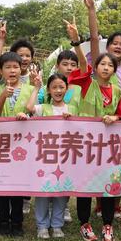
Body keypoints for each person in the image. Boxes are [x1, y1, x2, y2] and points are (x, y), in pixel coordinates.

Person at [66, 18, 121, 241]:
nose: (106, 67)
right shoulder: (86, 83)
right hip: (84, 145)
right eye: (102, 64)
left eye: (110, 65)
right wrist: (76, 41)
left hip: (107, 148)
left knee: (107, 186)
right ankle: (84, 223)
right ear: (96, 67)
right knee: (85, 185)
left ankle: (108, 224)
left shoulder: (118, 91)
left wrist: (116, 117)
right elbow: (82, 63)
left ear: (114, 70)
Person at [82, 0, 121, 218]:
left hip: (118, 126)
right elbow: (93, 38)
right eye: (114, 43)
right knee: (93, 165)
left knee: (116, 165)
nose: (118, 46)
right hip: (93, 127)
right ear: (107, 47)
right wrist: (92, 10)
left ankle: (113, 203)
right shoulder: (98, 66)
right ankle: (98, 205)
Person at [37, 49, 83, 223]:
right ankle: (44, 217)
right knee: (47, 179)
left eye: (73, 64)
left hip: (67, 145)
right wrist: (36, 87)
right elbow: (34, 108)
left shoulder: (77, 89)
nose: (69, 67)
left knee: (64, 177)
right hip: (48, 144)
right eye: (65, 64)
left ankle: (61, 213)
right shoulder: (45, 94)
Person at [0, 52, 35, 237]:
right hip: (2, 143)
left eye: (15, 67)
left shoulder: (30, 89)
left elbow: (35, 112)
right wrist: (2, 95)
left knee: (18, 184)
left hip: (23, 145)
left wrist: (27, 114)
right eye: (8, 67)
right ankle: (3, 219)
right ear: (1, 70)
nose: (12, 70)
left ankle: (17, 221)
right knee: (2, 183)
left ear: (21, 68)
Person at [25, 73, 72, 239]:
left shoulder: (72, 109)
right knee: (43, 192)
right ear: (49, 90)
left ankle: (57, 225)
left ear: (67, 89)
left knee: (61, 193)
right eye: (54, 87)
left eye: (61, 87)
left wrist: (71, 119)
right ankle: (42, 226)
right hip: (44, 158)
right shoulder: (43, 108)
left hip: (65, 159)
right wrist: (36, 87)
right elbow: (29, 108)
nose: (58, 90)